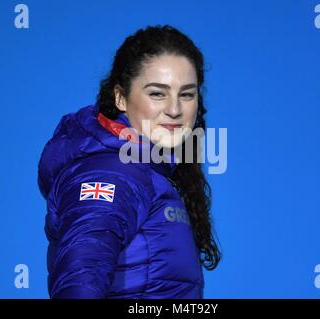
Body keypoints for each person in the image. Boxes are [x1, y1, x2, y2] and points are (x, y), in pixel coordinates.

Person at [37, 24, 221, 299]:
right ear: (120, 97)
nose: (174, 109)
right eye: (157, 93)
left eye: (187, 94)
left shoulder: (151, 172)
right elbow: (80, 281)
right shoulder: (112, 172)